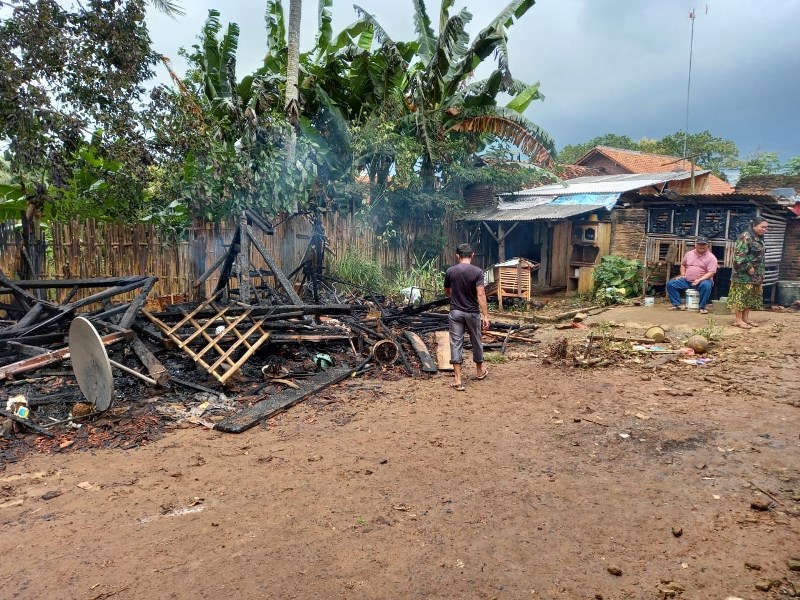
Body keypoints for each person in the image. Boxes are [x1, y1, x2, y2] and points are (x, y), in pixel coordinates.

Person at [444, 243, 490, 391]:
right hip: (472, 313)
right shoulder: (477, 272)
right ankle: (479, 370)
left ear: (457, 256)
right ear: (472, 255)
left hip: (455, 312)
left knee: (455, 343)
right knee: (476, 340)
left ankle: (458, 379)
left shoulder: (450, 271)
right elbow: (481, 294)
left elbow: (447, 292)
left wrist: (456, 295)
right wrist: (486, 316)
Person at [729, 217, 768, 329]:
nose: (764, 229)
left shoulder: (758, 238)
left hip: (756, 274)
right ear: (754, 226)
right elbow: (738, 257)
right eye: (762, 227)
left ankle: (745, 318)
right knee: (741, 296)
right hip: (743, 275)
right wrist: (748, 267)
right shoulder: (745, 237)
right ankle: (738, 320)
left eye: (766, 227)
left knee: (750, 296)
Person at [666, 236, 718, 314]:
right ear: (695, 245)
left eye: (704, 244)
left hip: (702, 281)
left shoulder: (711, 257)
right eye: (700, 244)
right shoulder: (689, 254)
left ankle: (702, 307)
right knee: (671, 284)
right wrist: (683, 274)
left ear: (708, 246)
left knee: (706, 285)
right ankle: (678, 305)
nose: (702, 246)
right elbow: (683, 264)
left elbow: (711, 272)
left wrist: (700, 279)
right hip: (687, 280)